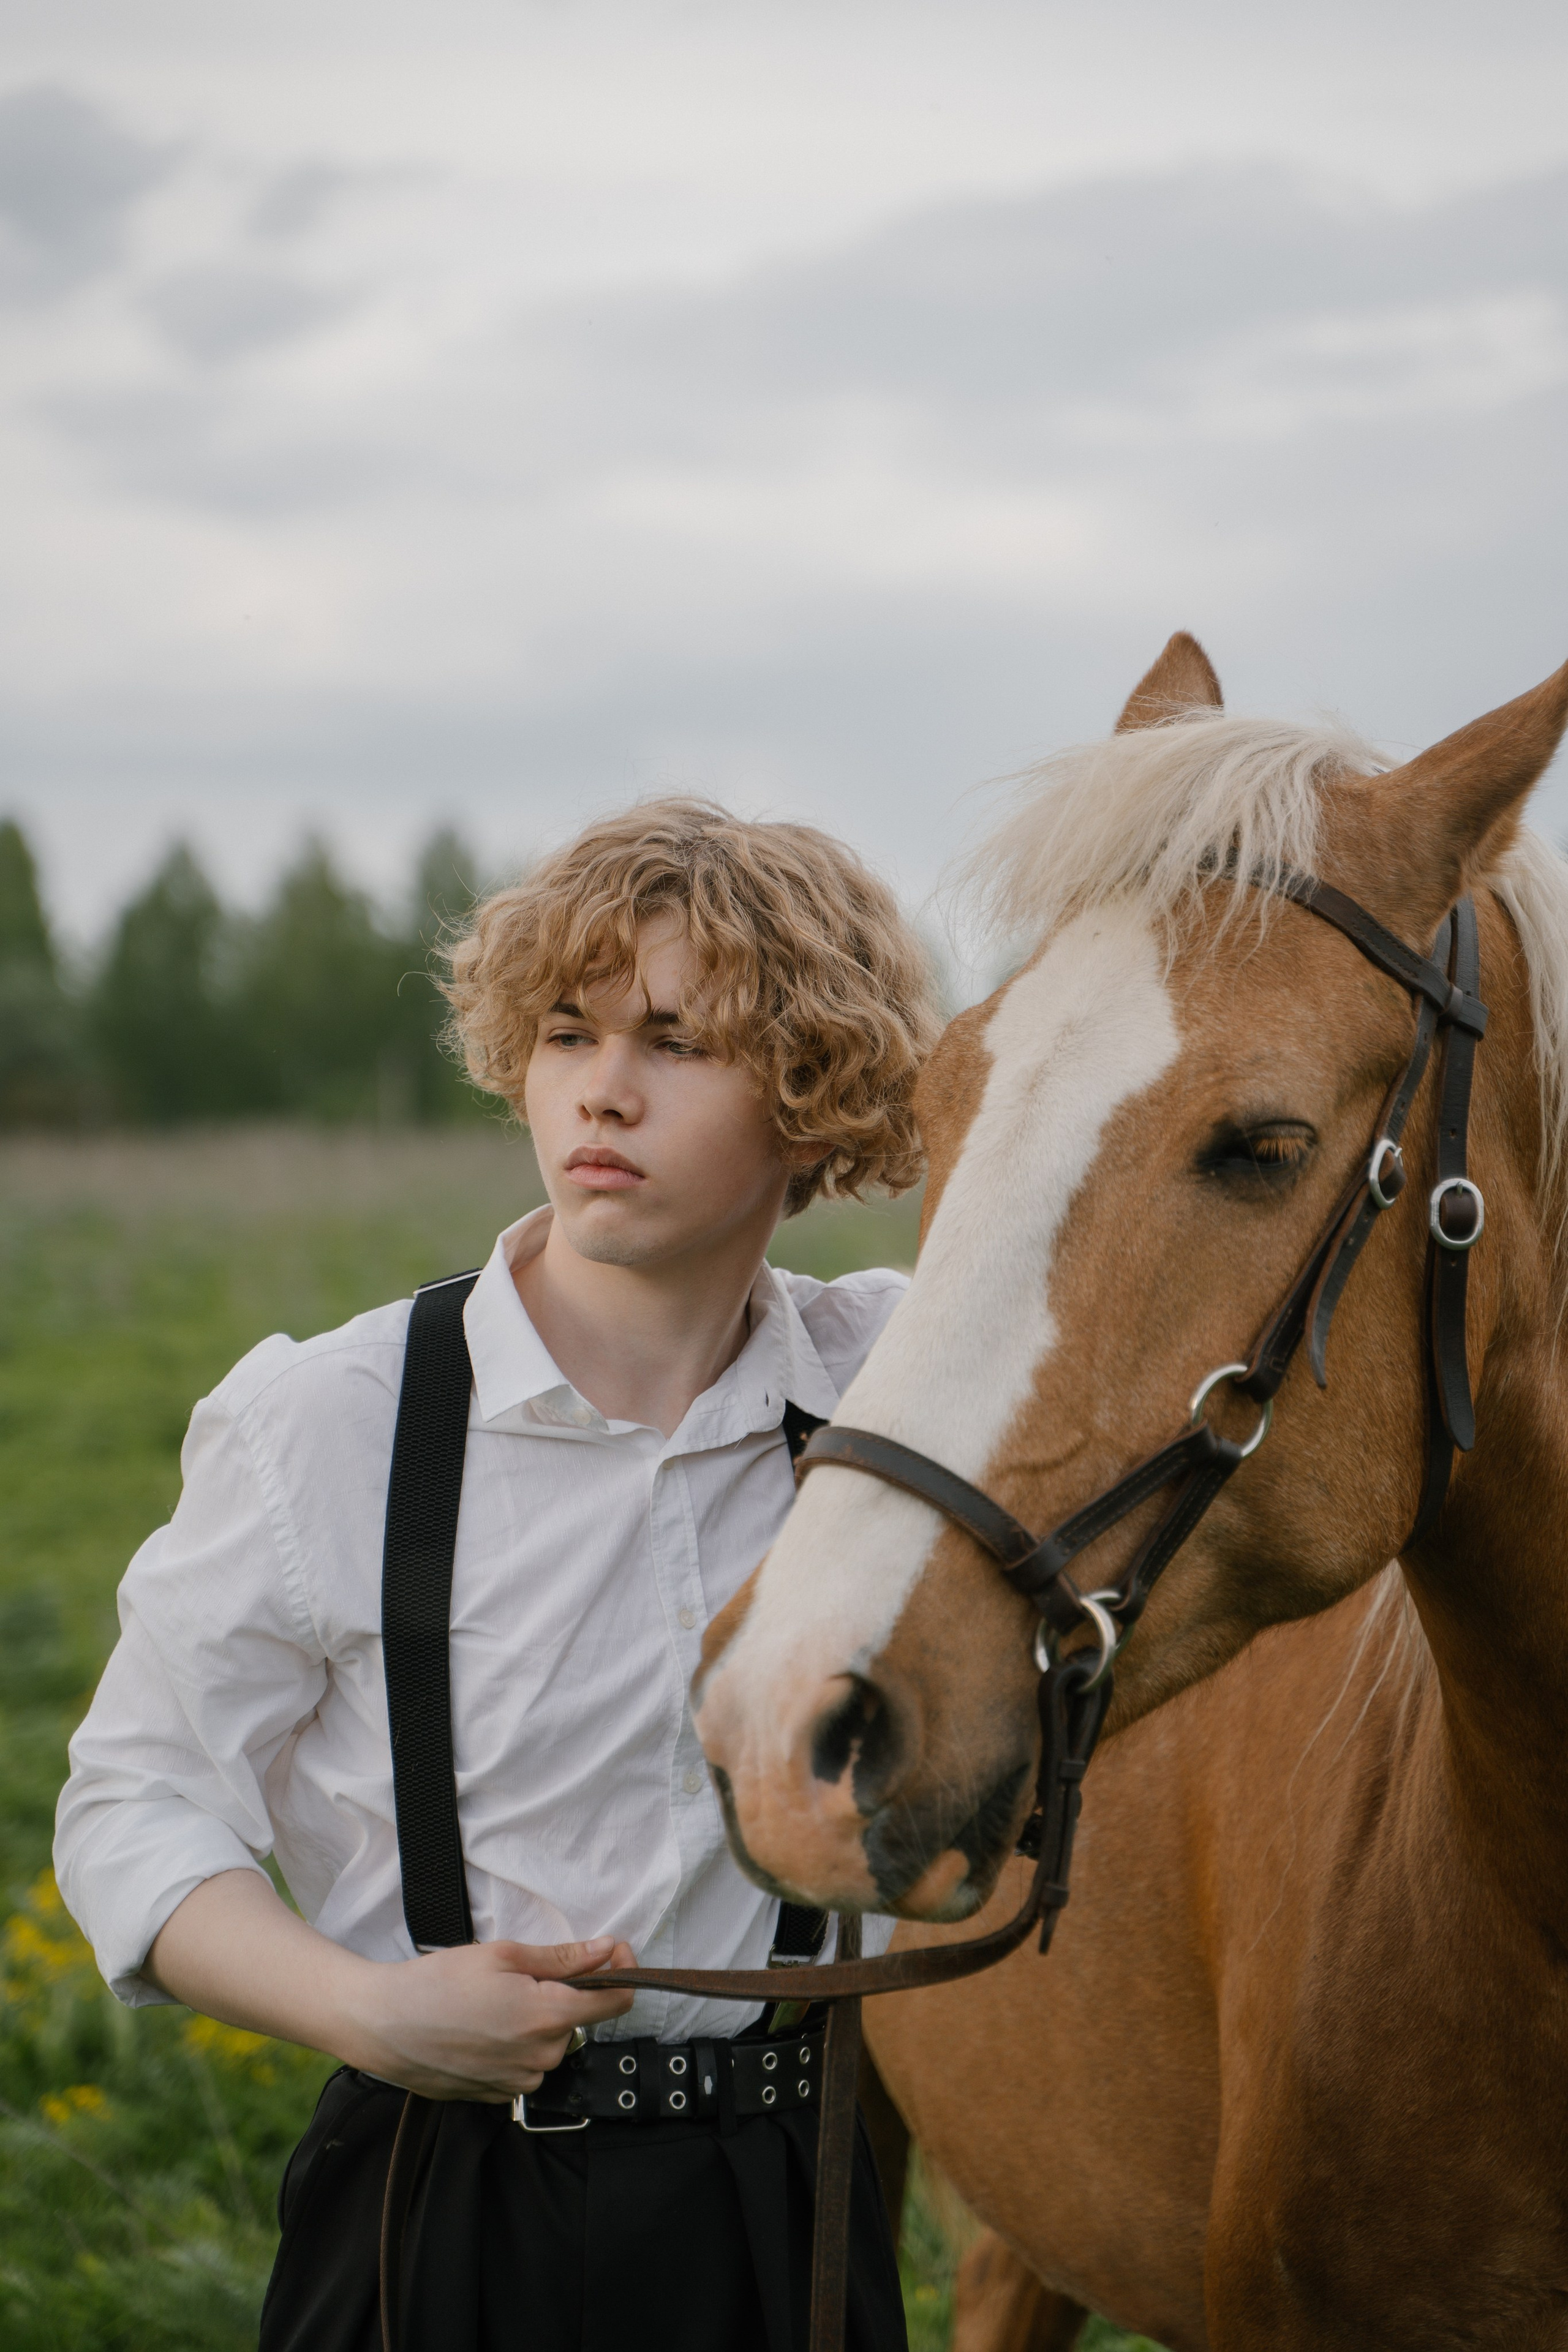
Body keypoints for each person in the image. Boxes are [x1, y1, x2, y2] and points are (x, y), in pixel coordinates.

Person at [55, 797, 940, 2352]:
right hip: (440, 2186)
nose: (602, 1089)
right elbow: (130, 1805)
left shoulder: (902, 1384)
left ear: (809, 1097)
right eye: (565, 1032)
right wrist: (366, 2010)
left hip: (795, 2196)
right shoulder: (330, 1418)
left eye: (676, 1041)